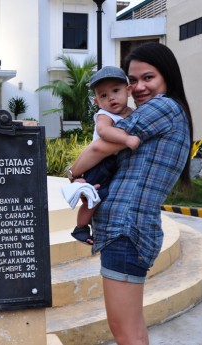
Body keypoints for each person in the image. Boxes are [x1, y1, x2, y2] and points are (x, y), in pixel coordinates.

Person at [68, 42, 194, 344]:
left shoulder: (162, 107)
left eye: (147, 77)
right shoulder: (164, 111)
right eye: (133, 80)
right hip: (126, 230)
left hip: (126, 231)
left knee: (124, 332)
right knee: (132, 330)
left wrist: (72, 174)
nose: (138, 87)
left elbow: (99, 147)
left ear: (167, 76)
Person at [68, 66, 139, 245]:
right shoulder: (104, 115)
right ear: (97, 101)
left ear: (128, 90)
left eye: (116, 91)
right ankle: (80, 228)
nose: (111, 98)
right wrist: (127, 140)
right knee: (95, 196)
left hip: (112, 162)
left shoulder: (133, 113)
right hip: (99, 164)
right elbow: (104, 131)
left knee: (103, 196)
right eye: (103, 96)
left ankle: (91, 223)